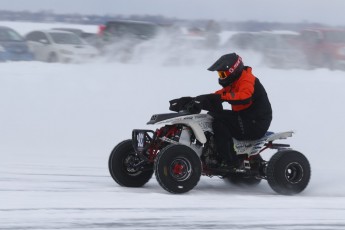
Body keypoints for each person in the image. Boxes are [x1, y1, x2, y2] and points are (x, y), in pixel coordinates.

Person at [205, 53, 273, 169]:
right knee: (211, 116)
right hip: (246, 118)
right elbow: (219, 94)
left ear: (233, 70)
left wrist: (222, 97)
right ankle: (213, 153)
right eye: (220, 74)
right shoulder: (235, 82)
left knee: (219, 122)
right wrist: (197, 100)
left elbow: (244, 96)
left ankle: (231, 160)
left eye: (223, 74)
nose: (221, 77)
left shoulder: (247, 79)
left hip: (256, 123)